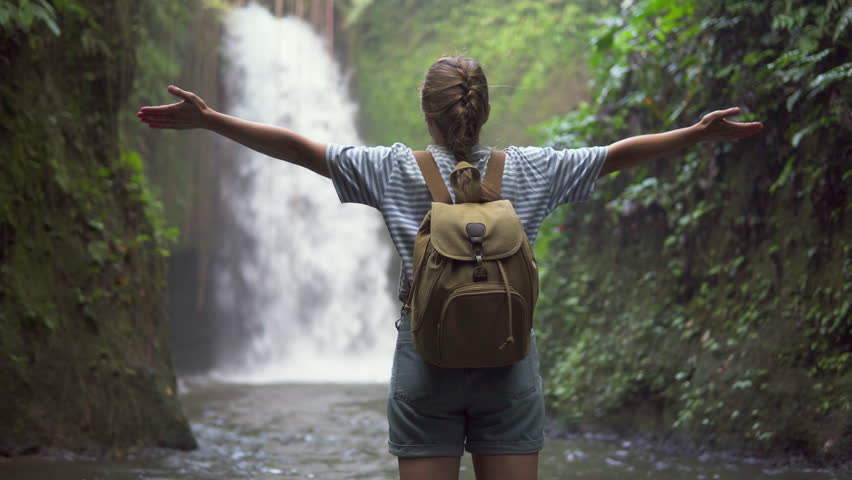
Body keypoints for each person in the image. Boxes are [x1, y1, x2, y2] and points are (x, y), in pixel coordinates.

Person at [137, 56, 763, 480]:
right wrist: (697, 134)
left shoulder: (388, 167)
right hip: (510, 358)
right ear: (484, 111)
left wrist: (210, 120)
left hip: (425, 362)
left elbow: (301, 149)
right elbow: (615, 157)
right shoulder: (534, 169)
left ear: (427, 114)